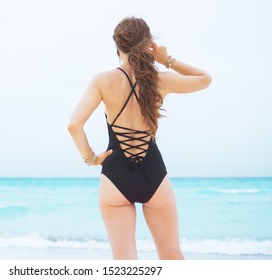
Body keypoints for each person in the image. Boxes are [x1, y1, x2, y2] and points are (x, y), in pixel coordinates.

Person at [67, 16, 211, 260]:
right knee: (171, 254)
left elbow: (74, 125)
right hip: (153, 174)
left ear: (117, 46)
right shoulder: (160, 80)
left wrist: (92, 158)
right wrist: (166, 60)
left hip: (115, 176)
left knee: (124, 261)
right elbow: (204, 79)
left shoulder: (102, 80)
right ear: (148, 44)